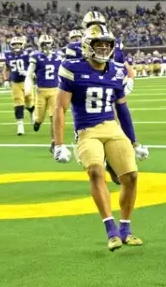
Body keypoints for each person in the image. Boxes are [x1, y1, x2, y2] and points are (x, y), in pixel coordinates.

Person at [52, 24, 149, 251]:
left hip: (112, 127)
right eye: (99, 44)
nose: (104, 48)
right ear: (88, 46)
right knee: (96, 171)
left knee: (132, 176)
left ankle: (125, 229)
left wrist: (135, 141)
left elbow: (122, 109)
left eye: (107, 44)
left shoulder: (116, 70)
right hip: (87, 130)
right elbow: (59, 108)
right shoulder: (72, 68)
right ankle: (111, 231)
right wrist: (59, 144)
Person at [25, 34, 63, 142]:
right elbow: (29, 74)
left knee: (54, 117)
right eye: (44, 44)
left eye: (48, 44)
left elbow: (64, 72)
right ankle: (37, 122)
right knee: (39, 118)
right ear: (40, 45)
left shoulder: (59, 56)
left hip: (55, 90)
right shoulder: (36, 56)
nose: (46, 46)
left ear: (52, 44)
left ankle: (54, 141)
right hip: (40, 91)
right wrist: (28, 86)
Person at [4, 37, 34, 135]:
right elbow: (6, 68)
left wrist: (28, 73)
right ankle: (20, 125)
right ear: (11, 45)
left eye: (18, 44)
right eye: (14, 44)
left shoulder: (27, 55)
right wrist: (6, 80)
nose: (16, 45)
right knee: (18, 103)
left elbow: (33, 67)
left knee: (29, 101)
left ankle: (32, 112)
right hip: (15, 82)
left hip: (26, 81)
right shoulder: (8, 55)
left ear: (22, 45)